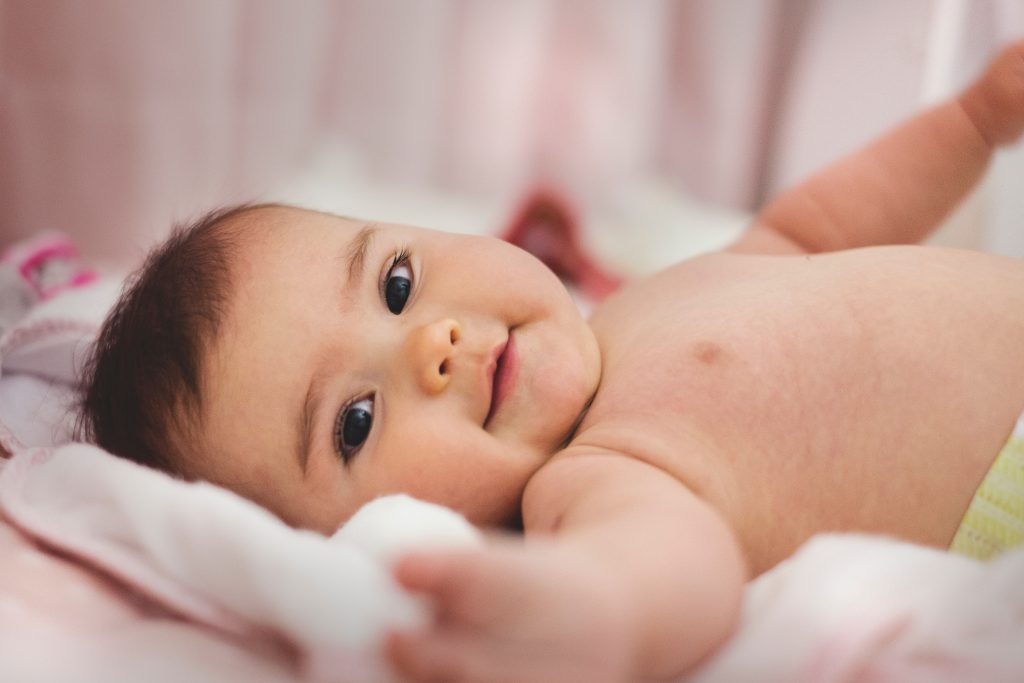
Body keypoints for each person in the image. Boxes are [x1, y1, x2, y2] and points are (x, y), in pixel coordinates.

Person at [80, 42, 1024, 681]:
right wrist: (595, 609)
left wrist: (975, 122)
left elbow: (814, 226)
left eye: (398, 282)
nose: (429, 346)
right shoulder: (591, 477)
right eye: (354, 422)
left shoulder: (640, 304)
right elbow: (670, 566)